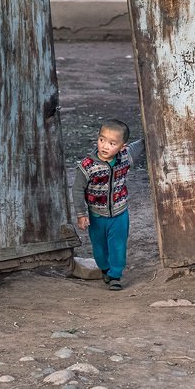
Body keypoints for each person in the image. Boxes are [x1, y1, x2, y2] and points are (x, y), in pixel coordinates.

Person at [73, 119, 141, 291]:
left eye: (112, 143)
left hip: (119, 213)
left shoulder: (126, 156)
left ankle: (115, 276)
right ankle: (104, 268)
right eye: (102, 139)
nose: (105, 146)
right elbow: (77, 191)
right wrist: (81, 215)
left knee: (118, 245)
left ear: (122, 146)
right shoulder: (87, 166)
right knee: (99, 248)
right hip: (96, 215)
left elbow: (142, 143)